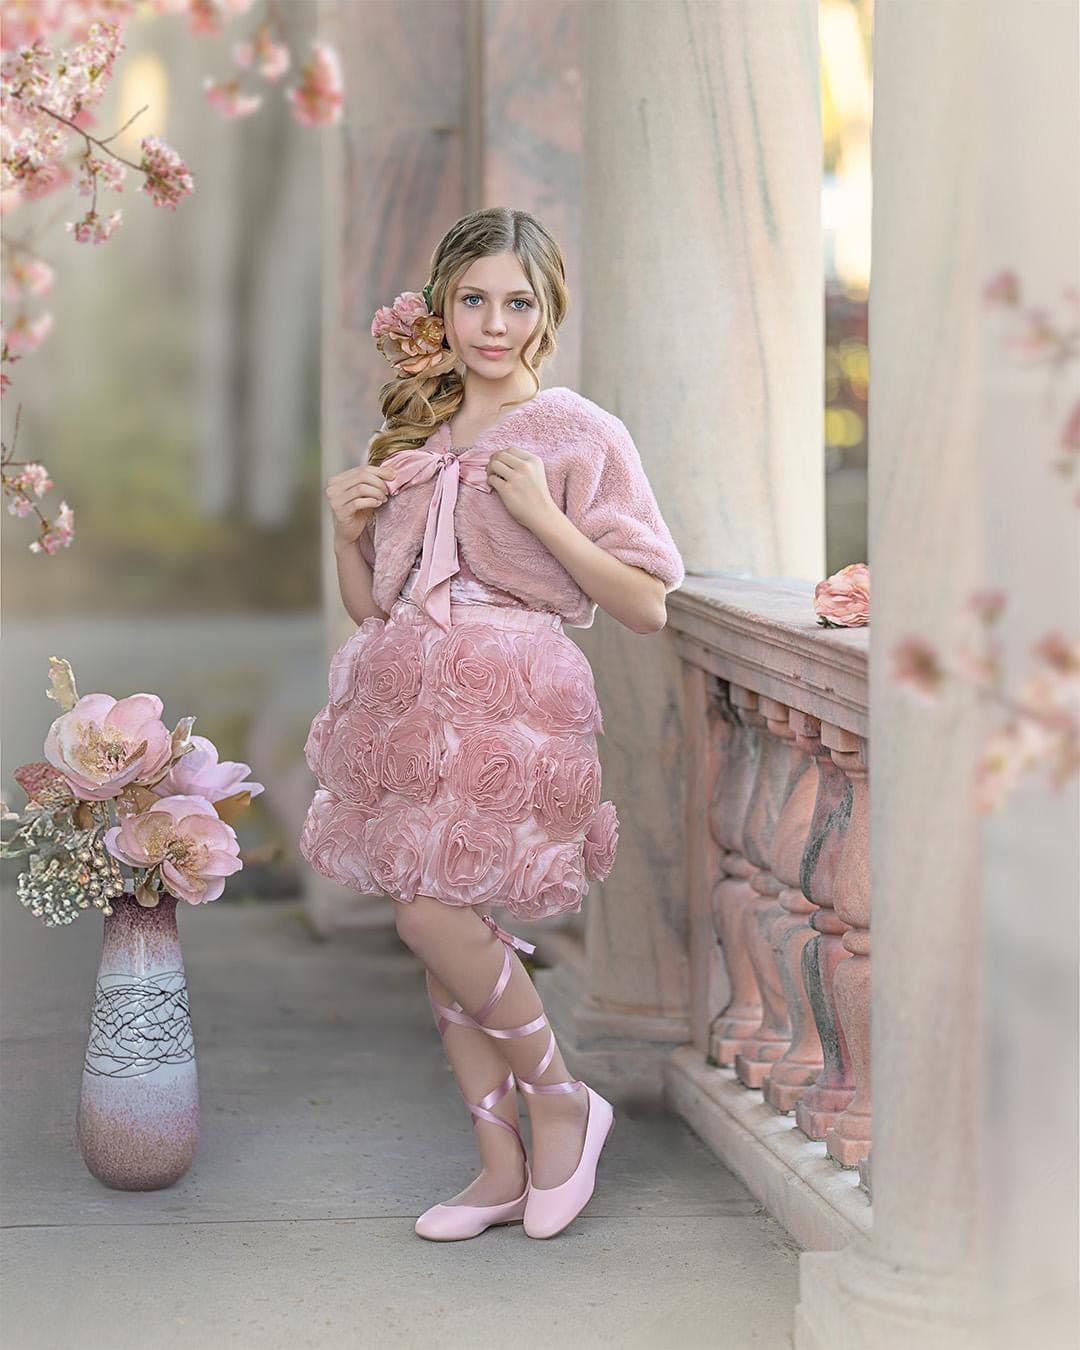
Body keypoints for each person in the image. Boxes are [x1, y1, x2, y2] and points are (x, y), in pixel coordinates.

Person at [300, 207, 684, 1241]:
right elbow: (378, 604)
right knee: (435, 925)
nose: (494, 323)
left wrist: (547, 519)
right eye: (474, 300)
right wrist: (346, 535)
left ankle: (563, 1098)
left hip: (515, 699)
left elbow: (646, 600)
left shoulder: (578, 433)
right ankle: (498, 1165)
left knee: (435, 916)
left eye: (518, 302)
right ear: (442, 308)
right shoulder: (419, 441)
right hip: (414, 696)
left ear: (548, 310)